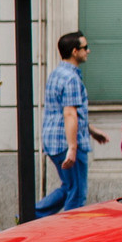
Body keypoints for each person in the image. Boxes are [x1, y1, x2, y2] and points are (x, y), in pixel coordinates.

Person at [30, 30, 108, 218]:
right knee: (77, 193)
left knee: (68, 187)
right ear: (75, 51)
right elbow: (69, 113)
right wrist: (72, 148)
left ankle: (30, 216)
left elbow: (65, 111)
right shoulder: (72, 78)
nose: (88, 51)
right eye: (85, 48)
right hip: (67, 142)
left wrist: (91, 130)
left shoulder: (57, 74)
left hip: (54, 141)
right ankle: (69, 234)